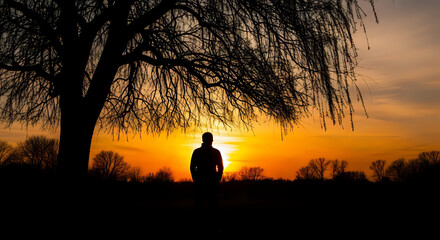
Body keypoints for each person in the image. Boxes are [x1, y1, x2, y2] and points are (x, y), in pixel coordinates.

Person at [190, 132, 224, 213]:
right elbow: (192, 166)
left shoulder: (198, 152)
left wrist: (218, 178)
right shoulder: (199, 152)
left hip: (207, 180)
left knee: (208, 203)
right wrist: (218, 177)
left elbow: (220, 166)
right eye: (209, 139)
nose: (210, 141)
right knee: (203, 203)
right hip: (204, 180)